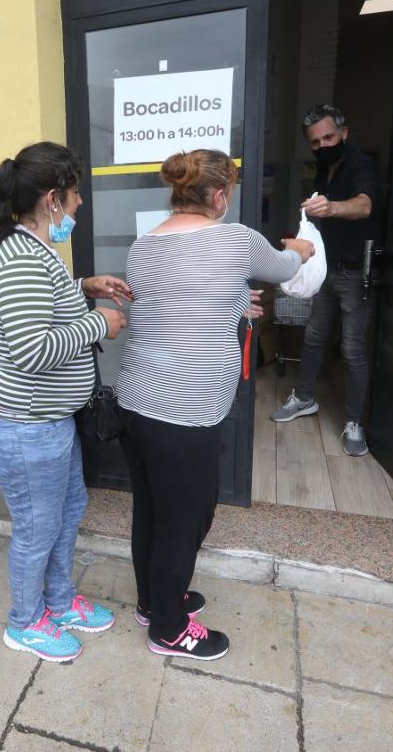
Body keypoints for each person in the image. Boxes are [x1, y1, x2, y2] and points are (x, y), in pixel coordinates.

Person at [117, 149, 314, 660]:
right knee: (186, 521)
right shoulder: (236, 239)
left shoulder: (143, 246)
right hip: (186, 410)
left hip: (137, 400)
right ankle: (168, 628)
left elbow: (172, 304)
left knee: (152, 513)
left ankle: (153, 601)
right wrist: (302, 246)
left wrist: (230, 301)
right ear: (220, 196)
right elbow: (287, 265)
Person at [0, 141, 131, 663]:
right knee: (38, 526)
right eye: (75, 192)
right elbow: (29, 349)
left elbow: (42, 309)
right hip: (24, 429)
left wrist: (83, 285)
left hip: (47, 423)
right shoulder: (20, 256)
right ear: (51, 199)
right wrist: (98, 321)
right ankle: (25, 622)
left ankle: (59, 603)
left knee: (68, 511)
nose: (81, 202)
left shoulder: (36, 249)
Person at [271, 104, 382, 456]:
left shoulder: (362, 165)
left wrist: (330, 207)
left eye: (329, 137)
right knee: (314, 338)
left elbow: (364, 206)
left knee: (352, 350)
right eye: (315, 142)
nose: (323, 145)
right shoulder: (321, 169)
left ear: (344, 133)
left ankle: (354, 422)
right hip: (324, 271)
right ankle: (304, 398)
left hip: (354, 273)